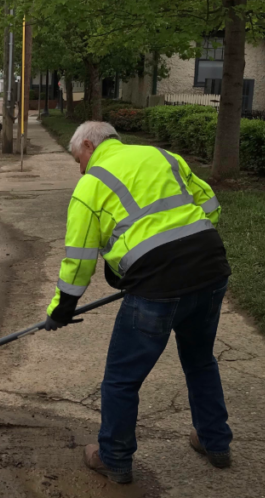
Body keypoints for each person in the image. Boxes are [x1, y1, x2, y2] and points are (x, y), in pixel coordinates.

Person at [45, 121, 233, 484]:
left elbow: (79, 257)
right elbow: (211, 206)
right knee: (200, 361)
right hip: (210, 269)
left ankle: (114, 457)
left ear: (89, 143)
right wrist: (143, 257)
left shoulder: (92, 184)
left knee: (121, 379)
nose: (80, 168)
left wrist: (62, 308)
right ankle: (216, 442)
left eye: (78, 159)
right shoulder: (164, 156)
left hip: (157, 286)